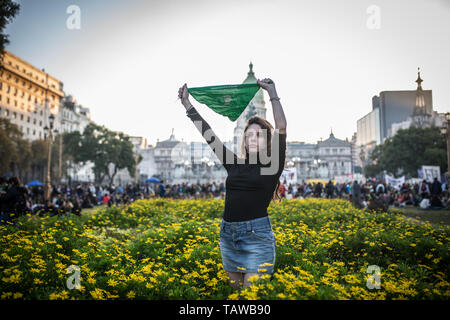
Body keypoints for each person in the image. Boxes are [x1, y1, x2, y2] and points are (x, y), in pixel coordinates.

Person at [179, 78, 287, 290]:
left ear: (268, 141)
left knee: (250, 298)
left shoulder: (272, 166)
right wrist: (187, 105)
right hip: (228, 236)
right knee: (236, 297)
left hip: (257, 238)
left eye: (259, 135)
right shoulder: (234, 164)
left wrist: (273, 93)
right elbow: (210, 136)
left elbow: (281, 126)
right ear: (244, 141)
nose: (253, 139)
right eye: (249, 136)